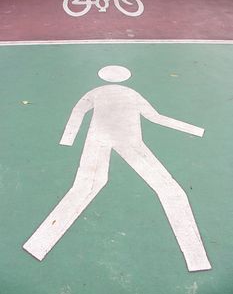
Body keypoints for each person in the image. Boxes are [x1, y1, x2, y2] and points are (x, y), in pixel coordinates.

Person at [23, 65, 211, 271]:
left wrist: (68, 139)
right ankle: (197, 258)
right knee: (169, 189)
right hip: (129, 142)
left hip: (98, 141)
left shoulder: (95, 92)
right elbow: (156, 117)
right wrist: (193, 129)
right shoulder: (132, 93)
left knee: (84, 188)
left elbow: (77, 112)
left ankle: (38, 244)